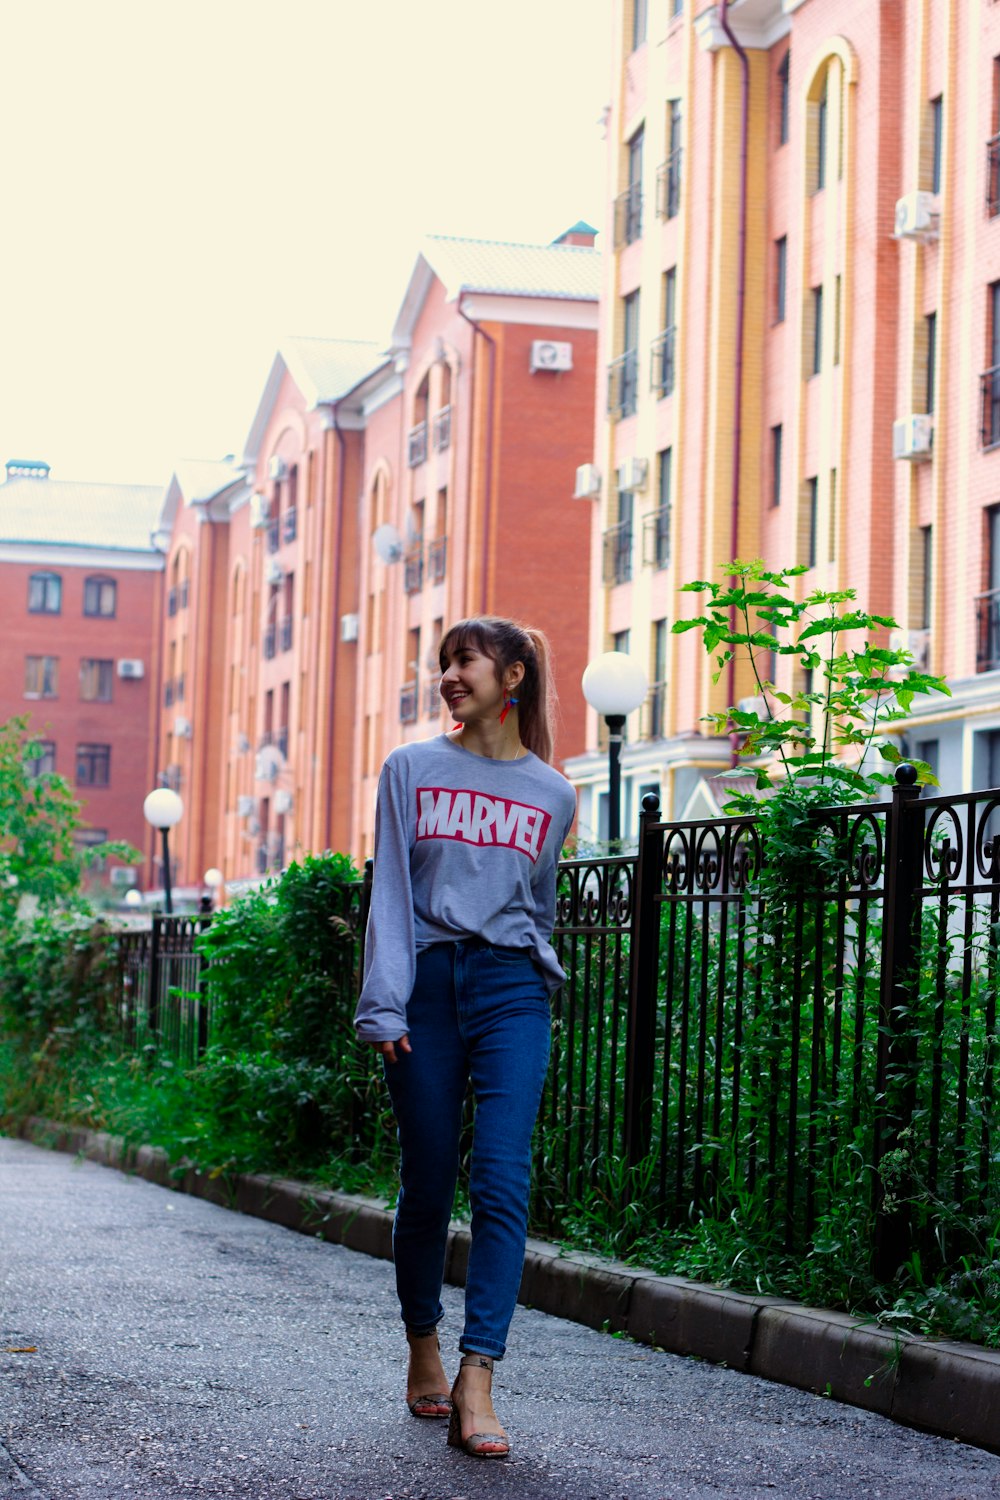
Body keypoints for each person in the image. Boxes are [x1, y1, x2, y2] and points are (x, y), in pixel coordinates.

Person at [354, 616, 576, 1460]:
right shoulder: (410, 769)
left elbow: (540, 906)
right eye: (444, 663)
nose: (450, 675)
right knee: (429, 1178)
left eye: (465, 661)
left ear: (511, 676)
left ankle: (478, 1377)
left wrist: (535, 976)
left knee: (503, 1179)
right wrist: (385, 1005)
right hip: (430, 989)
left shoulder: (554, 792)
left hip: (513, 987)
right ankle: (424, 1342)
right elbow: (391, 899)